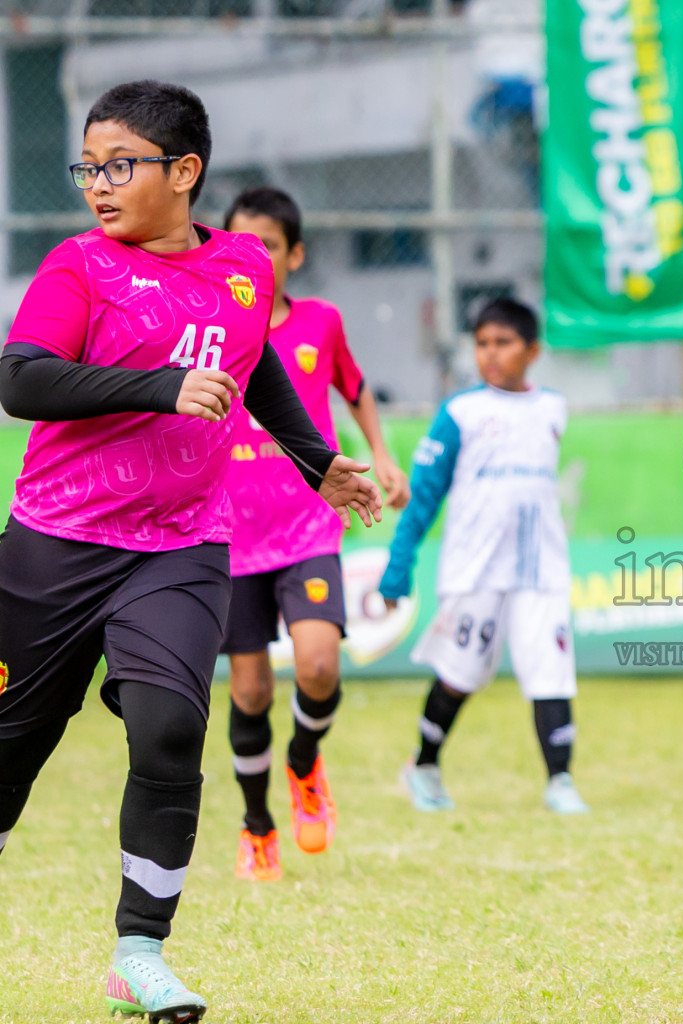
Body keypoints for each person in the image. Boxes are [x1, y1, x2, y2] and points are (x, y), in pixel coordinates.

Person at [0, 80, 382, 1022]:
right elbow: (20, 378)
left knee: (171, 729)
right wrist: (160, 385)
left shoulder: (247, 268)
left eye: (119, 164)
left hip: (180, 545)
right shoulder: (80, 268)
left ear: (184, 172)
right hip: (56, 541)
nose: (98, 183)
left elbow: (255, 371)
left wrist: (318, 462)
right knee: (9, 756)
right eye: (89, 166)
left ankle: (140, 952)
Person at [220, 186, 411, 883]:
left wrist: (381, 456)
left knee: (318, 666)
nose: (255, 257)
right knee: (247, 693)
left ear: (294, 255)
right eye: (241, 244)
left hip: (306, 527)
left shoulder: (322, 322)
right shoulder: (215, 324)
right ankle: (257, 825)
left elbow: (354, 386)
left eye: (268, 244)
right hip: (230, 535)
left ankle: (304, 762)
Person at [379, 298, 588, 817]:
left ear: (532, 350)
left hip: (541, 569)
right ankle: (423, 766)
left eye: (504, 343)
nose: (490, 354)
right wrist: (398, 566)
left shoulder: (552, 409)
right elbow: (424, 495)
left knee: (550, 671)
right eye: (482, 343)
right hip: (475, 568)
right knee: (460, 674)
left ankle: (560, 781)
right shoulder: (459, 412)